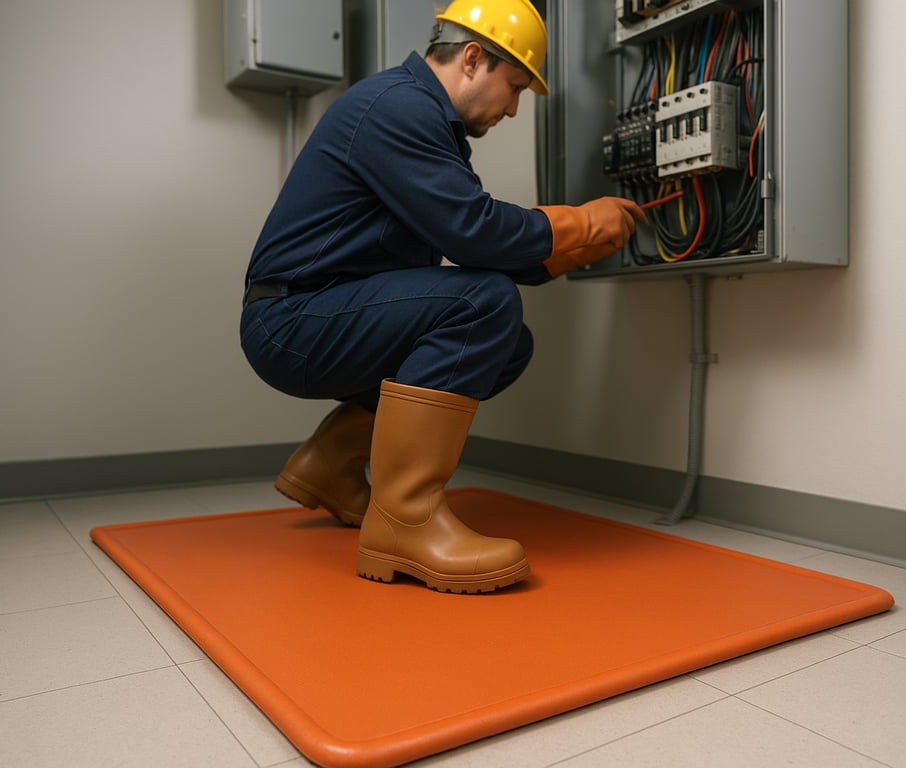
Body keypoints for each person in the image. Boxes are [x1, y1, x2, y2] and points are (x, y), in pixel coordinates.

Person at [239, 0, 645, 594]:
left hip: (323, 308)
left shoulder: (425, 120)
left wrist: (581, 241)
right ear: (473, 58)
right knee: (484, 303)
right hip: (291, 319)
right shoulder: (398, 106)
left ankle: (332, 462)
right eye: (513, 88)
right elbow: (474, 232)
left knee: (506, 343)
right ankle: (405, 523)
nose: (511, 108)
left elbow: (478, 245)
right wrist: (580, 225)